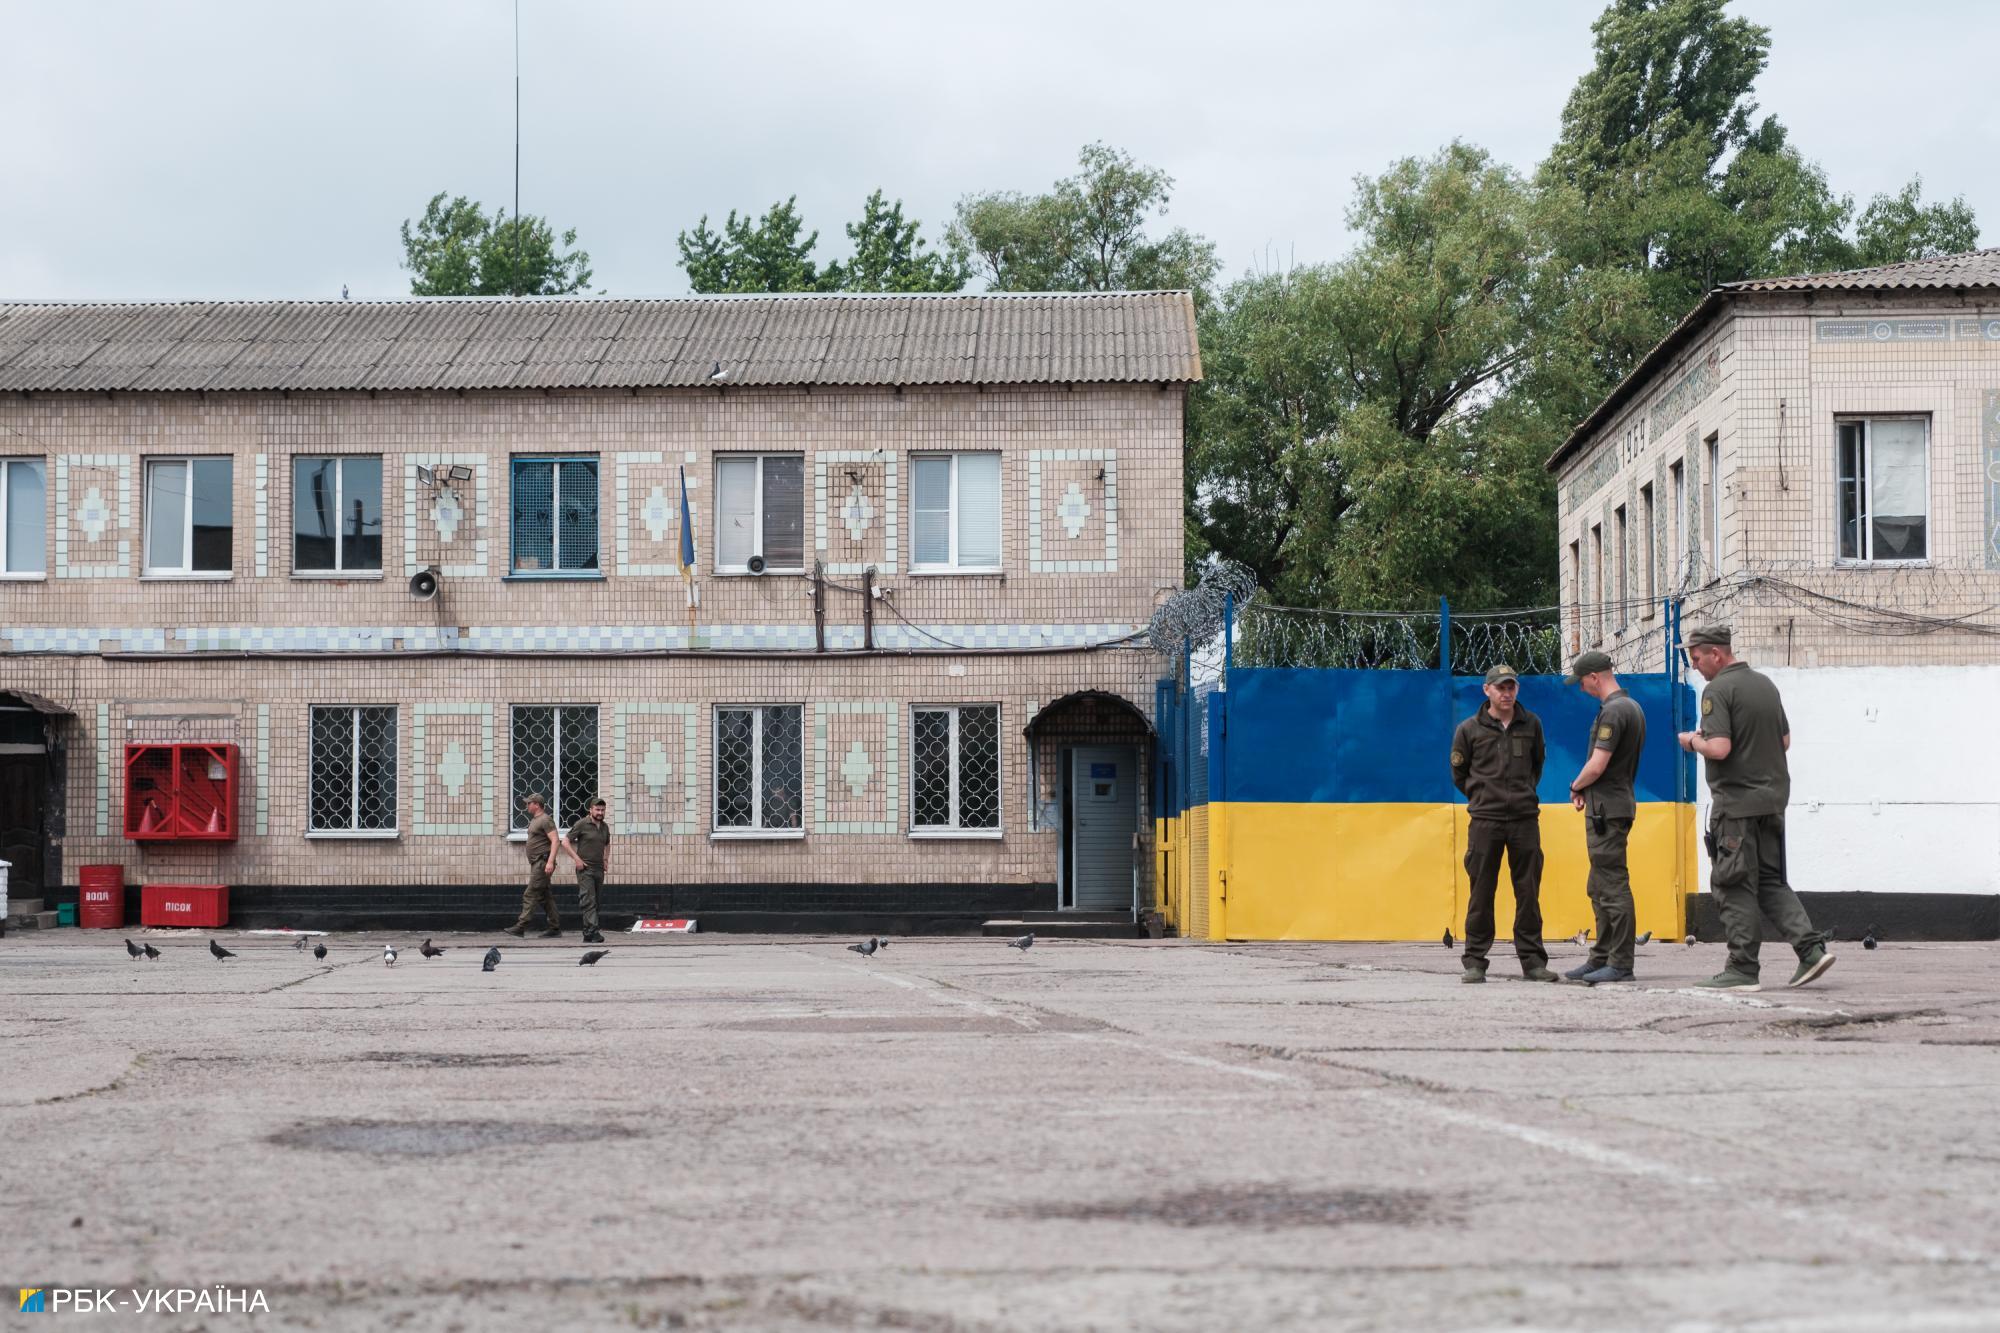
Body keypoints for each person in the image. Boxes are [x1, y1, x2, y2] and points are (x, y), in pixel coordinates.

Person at [1677, 624, 1834, 991]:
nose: (1695, 666)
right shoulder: (1765, 684)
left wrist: (1692, 741)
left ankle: (1742, 968)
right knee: (1769, 880)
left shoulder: (1717, 690)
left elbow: (1720, 748)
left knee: (1732, 884)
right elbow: (1785, 739)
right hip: (1773, 801)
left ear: (1716, 654)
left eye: (1697, 658)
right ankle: (1811, 950)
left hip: (1736, 806)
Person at [1449, 663, 1556, 984]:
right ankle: (1475, 961)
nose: (1506, 693)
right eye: (1500, 687)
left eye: (1511, 687)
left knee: (1528, 892)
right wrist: (1483, 797)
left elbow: (1537, 766)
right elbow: (1460, 774)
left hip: (1524, 820)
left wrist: (1521, 795)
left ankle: (1533, 962)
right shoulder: (1468, 730)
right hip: (1485, 821)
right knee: (1481, 891)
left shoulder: (1531, 724)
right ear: (1487, 691)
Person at [1564, 650, 1645, 984]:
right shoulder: (1632, 707)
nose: (1583, 689)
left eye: (1583, 682)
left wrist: (1575, 785)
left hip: (1607, 812)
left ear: (1595, 677)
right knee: (1598, 886)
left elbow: (1597, 765)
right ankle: (1601, 957)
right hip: (1611, 806)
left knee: (1612, 887)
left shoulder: (1614, 712)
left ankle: (1621, 963)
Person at [505, 793, 562, 938]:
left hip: (542, 863)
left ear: (537, 804)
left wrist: (549, 861)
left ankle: (521, 926)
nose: (526, 805)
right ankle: (555, 928)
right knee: (544, 896)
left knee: (530, 894)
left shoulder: (545, 820)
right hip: (538, 862)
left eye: (529, 803)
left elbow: (555, 841)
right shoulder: (536, 820)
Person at [563, 796, 612, 945]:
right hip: (585, 868)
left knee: (596, 901)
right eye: (597, 809)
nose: (600, 812)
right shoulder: (582, 824)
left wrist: (605, 860)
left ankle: (588, 933)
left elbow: (607, 844)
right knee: (588, 900)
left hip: (598, 869)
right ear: (590, 810)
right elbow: (565, 842)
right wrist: (577, 859)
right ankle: (594, 931)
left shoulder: (604, 827)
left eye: (602, 810)